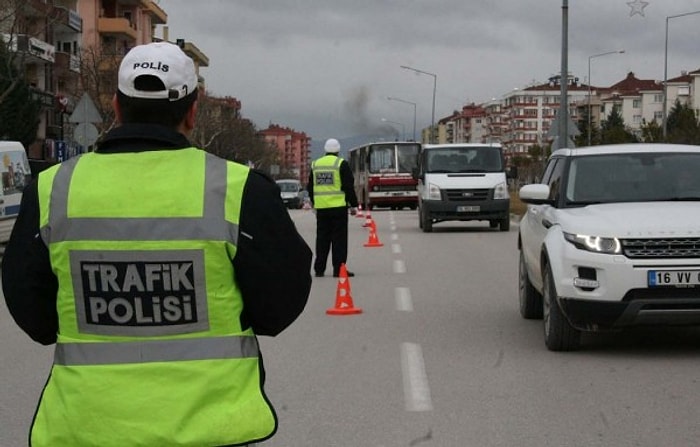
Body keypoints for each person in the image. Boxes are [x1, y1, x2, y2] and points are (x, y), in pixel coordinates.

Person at [1, 41, 312, 447]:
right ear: (193, 111)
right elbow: (279, 306)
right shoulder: (238, 190)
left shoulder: (53, 188)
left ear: (115, 106)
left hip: (88, 428)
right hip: (210, 429)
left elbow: (31, 308)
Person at [307, 138, 359, 277]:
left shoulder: (315, 164)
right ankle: (339, 269)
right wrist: (354, 204)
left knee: (322, 239)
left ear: (325, 150)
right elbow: (348, 186)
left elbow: (310, 187)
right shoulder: (341, 164)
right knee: (339, 240)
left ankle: (319, 269)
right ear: (337, 150)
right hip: (338, 208)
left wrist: (314, 202)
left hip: (322, 209)